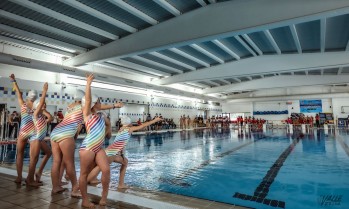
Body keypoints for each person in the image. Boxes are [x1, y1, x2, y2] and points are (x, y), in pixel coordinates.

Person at [79, 74, 124, 207]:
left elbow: (103, 110)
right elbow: (87, 101)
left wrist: (114, 106)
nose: (100, 103)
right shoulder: (87, 114)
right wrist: (88, 84)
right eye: (98, 101)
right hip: (87, 148)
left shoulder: (100, 115)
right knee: (83, 174)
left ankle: (104, 198)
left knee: (106, 170)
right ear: (93, 104)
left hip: (98, 148)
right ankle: (85, 200)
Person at [87, 116, 162, 189]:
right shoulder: (129, 129)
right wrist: (155, 120)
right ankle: (82, 184)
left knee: (125, 161)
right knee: (100, 167)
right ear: (129, 123)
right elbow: (144, 125)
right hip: (111, 153)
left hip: (109, 151)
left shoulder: (121, 129)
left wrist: (122, 154)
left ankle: (120, 184)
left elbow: (121, 143)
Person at [10, 74, 44, 186]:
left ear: (28, 97)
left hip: (23, 131)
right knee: (33, 158)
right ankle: (30, 179)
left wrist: (13, 80)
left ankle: (19, 177)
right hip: (34, 131)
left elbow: (18, 93)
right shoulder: (37, 106)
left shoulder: (23, 104)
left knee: (19, 154)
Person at [50, 89, 85, 196]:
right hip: (65, 134)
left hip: (55, 132)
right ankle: (75, 189)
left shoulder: (69, 107)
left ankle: (55, 187)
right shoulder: (82, 107)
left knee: (56, 161)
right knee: (70, 162)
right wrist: (114, 106)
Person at [32, 99, 53, 184]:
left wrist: (44, 110)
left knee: (49, 153)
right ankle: (31, 178)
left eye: (45, 104)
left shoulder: (41, 116)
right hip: (35, 139)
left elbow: (51, 118)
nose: (44, 105)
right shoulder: (36, 114)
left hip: (40, 139)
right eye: (42, 104)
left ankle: (39, 172)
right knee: (34, 159)